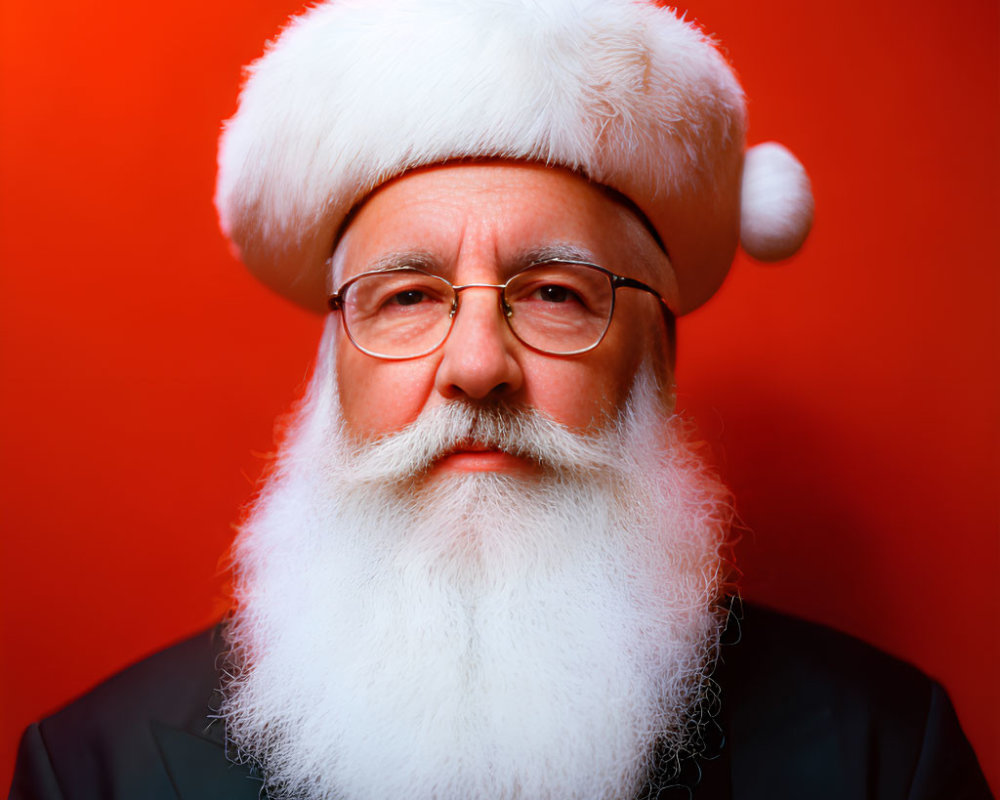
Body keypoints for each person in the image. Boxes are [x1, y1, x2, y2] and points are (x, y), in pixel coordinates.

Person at [8, 0, 992, 798]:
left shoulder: (881, 757)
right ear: (330, 374)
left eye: (554, 293)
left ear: (652, 358)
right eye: (407, 296)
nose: (478, 363)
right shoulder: (96, 769)